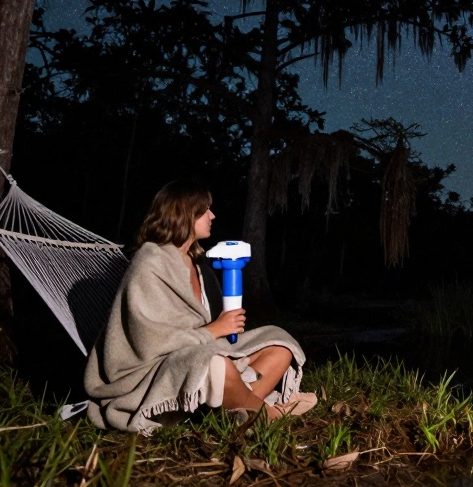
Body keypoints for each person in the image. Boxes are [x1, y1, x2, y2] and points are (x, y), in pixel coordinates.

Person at [84, 179, 317, 433]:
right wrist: (214, 330)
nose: (212, 215)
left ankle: (237, 410)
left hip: (201, 351)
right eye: (205, 209)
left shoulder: (200, 264)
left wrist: (225, 326)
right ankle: (268, 415)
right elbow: (148, 342)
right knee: (215, 364)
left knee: (278, 344)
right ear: (184, 214)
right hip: (150, 370)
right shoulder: (150, 262)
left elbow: (216, 331)